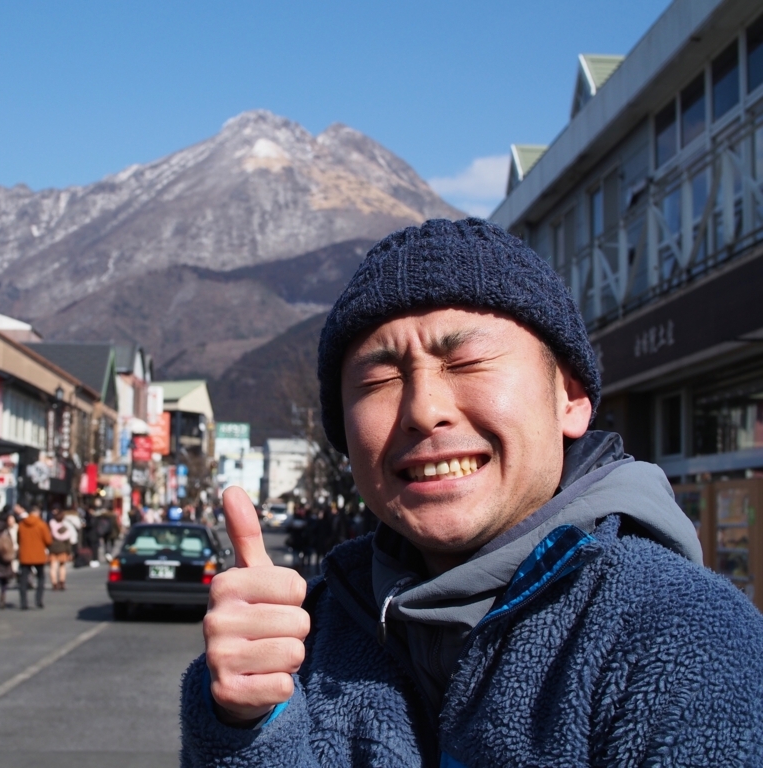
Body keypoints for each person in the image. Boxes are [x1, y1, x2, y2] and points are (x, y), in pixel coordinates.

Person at [180, 219, 763, 767]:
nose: (423, 410)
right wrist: (247, 721)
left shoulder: (685, 636)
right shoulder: (311, 633)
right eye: (379, 379)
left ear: (571, 397)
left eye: (467, 361)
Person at [17, 505, 52, 609]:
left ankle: (24, 602)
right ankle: (38, 600)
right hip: (38, 555)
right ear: (37, 513)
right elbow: (48, 540)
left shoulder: (22, 524)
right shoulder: (41, 524)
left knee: (23, 579)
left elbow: (18, 539)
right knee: (40, 577)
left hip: (25, 554)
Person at [48, 507, 74, 591]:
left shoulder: (51, 527)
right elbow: (68, 542)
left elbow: (47, 539)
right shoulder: (65, 529)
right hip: (63, 550)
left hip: (53, 549)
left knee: (53, 567)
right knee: (62, 566)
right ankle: (62, 582)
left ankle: (54, 583)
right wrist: (69, 552)